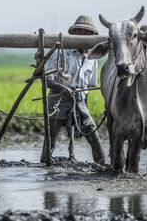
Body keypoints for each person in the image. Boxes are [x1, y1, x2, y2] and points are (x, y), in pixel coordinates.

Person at [40, 15, 106, 164]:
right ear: (74, 33)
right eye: (80, 32)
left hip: (80, 102)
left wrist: (85, 108)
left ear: (93, 37)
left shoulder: (92, 57)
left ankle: (102, 168)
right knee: (50, 141)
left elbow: (88, 87)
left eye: (88, 33)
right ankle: (45, 167)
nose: (84, 36)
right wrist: (62, 87)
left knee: (93, 137)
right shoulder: (61, 52)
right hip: (58, 100)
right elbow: (47, 80)